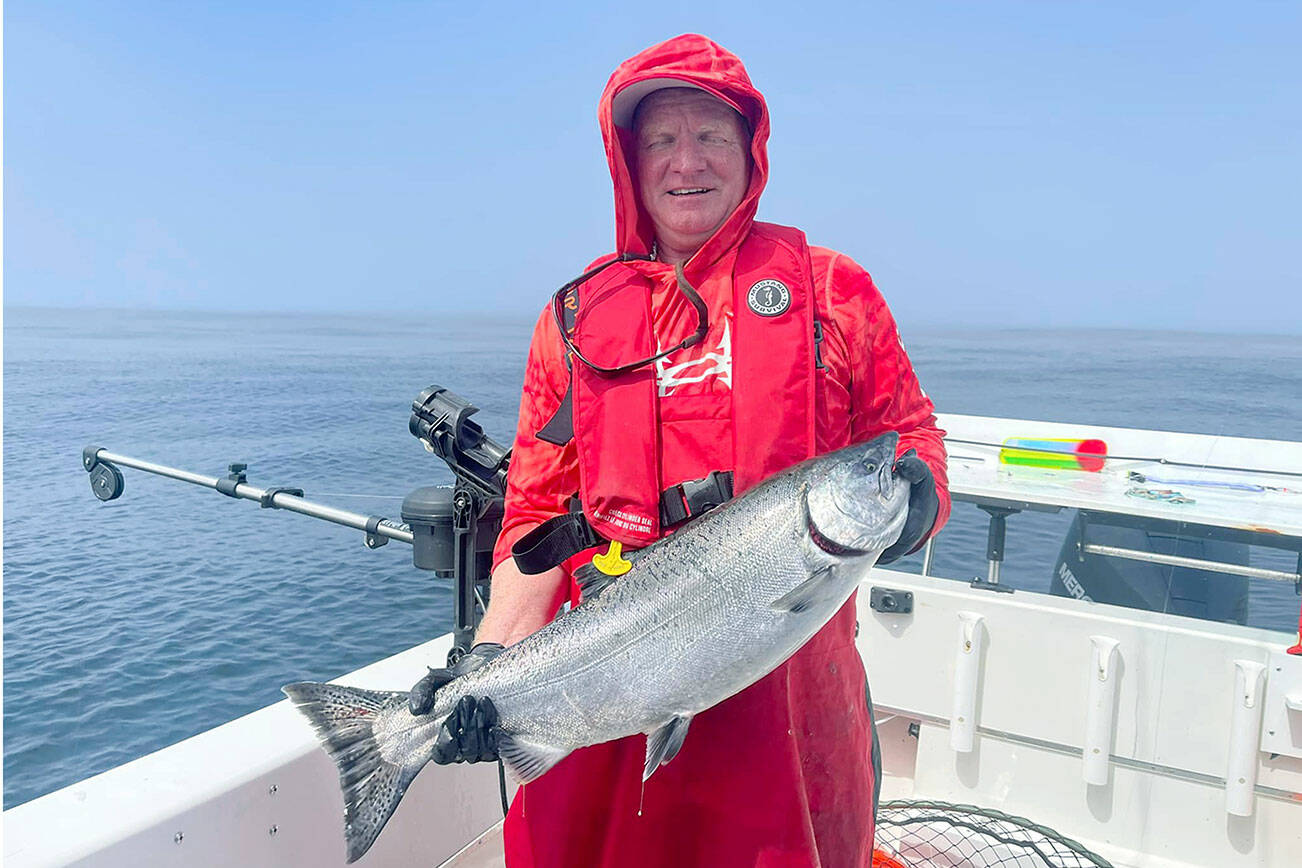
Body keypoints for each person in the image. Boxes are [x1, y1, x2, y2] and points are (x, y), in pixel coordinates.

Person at [409, 33, 951, 867]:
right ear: (629, 162)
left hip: (789, 683)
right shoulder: (574, 320)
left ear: (750, 151)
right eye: (661, 139)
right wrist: (490, 657)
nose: (686, 161)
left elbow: (911, 441)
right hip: (607, 673)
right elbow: (538, 515)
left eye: (711, 136)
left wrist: (915, 497)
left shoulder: (833, 292)